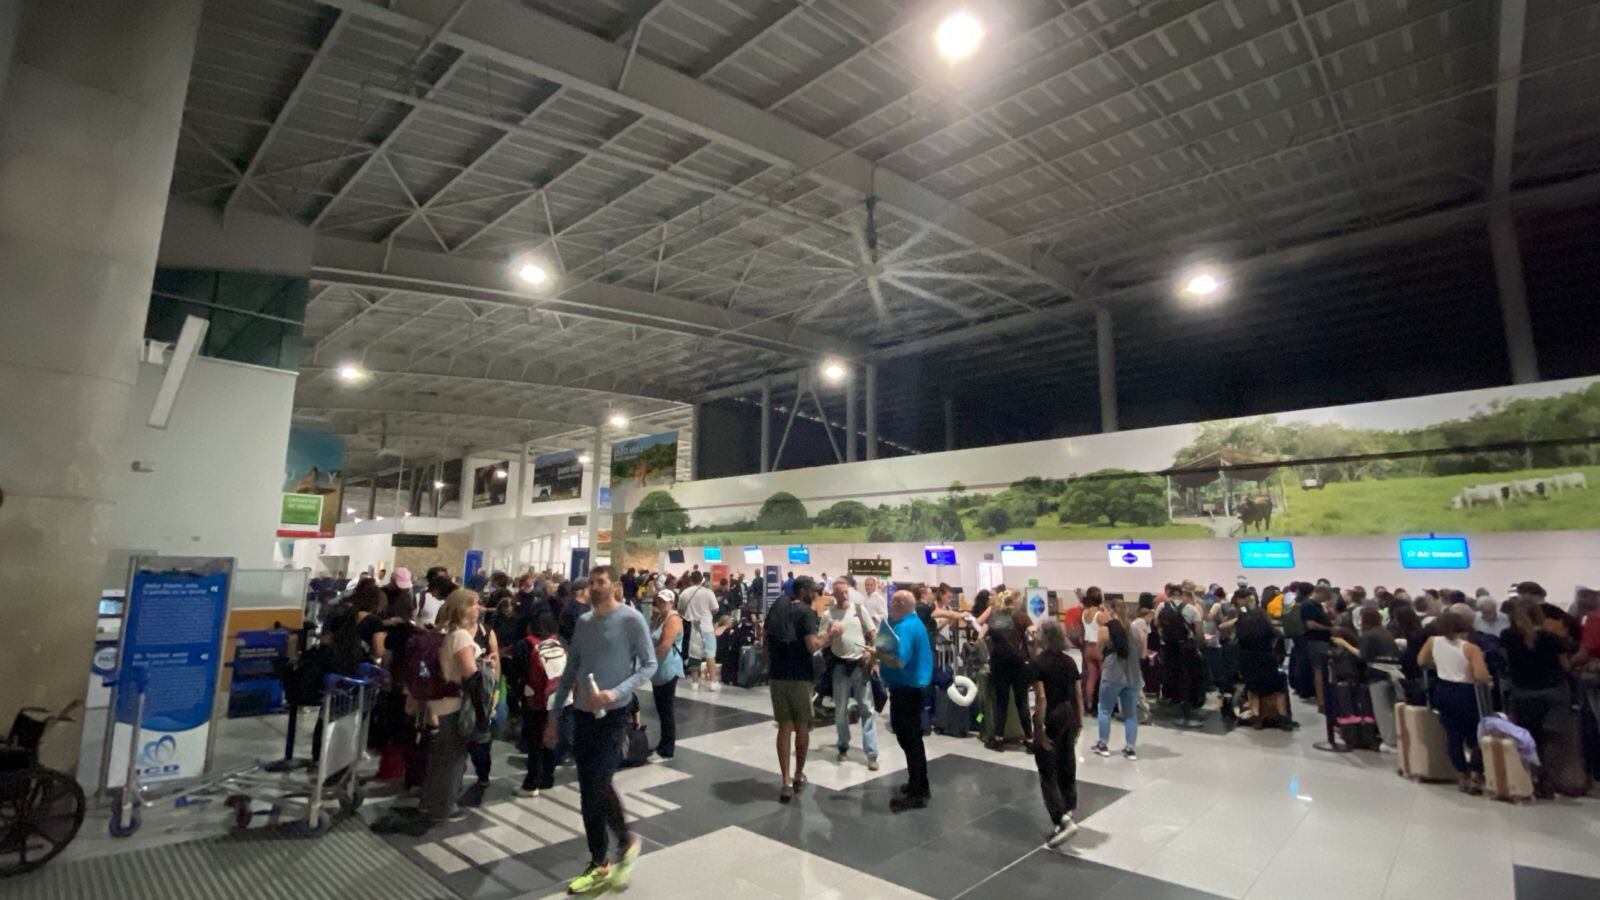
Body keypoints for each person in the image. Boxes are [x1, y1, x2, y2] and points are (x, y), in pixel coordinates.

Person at [545, 567, 655, 893]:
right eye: (591, 583)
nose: (594, 588)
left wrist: (616, 693)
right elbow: (572, 669)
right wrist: (555, 714)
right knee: (589, 789)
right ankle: (612, 852)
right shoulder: (583, 623)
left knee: (598, 783)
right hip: (581, 714)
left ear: (616, 586)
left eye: (601, 582)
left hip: (613, 715)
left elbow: (649, 664)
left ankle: (612, 851)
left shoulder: (631, 620)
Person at [1502, 598, 1575, 798]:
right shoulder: (1551, 638)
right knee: (1552, 738)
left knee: (1527, 736)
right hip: (1553, 692)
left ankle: (1526, 779)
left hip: (1522, 692)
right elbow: (1565, 666)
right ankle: (1547, 781)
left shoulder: (1508, 636)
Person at [419, 589, 481, 824]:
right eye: (474, 604)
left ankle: (430, 801)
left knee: (439, 757)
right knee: (453, 759)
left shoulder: (444, 632)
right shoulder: (461, 637)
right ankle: (445, 806)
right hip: (455, 705)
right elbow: (469, 674)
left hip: (439, 703)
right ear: (462, 608)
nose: (478, 608)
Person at [764, 576, 828, 803]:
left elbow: (766, 641)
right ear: (803, 591)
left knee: (784, 727)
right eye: (814, 591)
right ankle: (799, 774)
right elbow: (812, 646)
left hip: (778, 676)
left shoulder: (777, 608)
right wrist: (830, 635)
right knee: (802, 726)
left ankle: (785, 781)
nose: (816, 595)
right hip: (800, 676)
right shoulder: (806, 613)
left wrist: (770, 666)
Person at [1418, 608, 1492, 794]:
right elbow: (1481, 676)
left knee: (1453, 735)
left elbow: (1421, 661)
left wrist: (1441, 665)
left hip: (1443, 690)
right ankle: (1476, 772)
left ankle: (1461, 774)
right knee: (1476, 734)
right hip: (1466, 693)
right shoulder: (1471, 648)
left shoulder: (1432, 641)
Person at [1030, 618, 1083, 848]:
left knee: (1047, 770)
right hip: (1069, 713)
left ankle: (1060, 818)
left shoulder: (1038, 663)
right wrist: (1080, 721)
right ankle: (1069, 808)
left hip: (1051, 715)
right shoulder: (1070, 662)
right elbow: (1078, 694)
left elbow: (1041, 697)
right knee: (1066, 761)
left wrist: (1039, 727)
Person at [880, 589, 932, 811]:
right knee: (912, 740)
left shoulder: (907, 628)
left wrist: (876, 654)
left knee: (910, 740)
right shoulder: (914, 624)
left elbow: (899, 660)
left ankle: (917, 793)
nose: (890, 607)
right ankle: (918, 784)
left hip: (907, 691)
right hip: (910, 689)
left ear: (901, 604)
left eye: (893, 603)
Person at [825, 578, 879, 769]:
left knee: (866, 707)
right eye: (840, 593)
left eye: (846, 592)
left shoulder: (858, 610)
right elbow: (821, 641)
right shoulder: (829, 614)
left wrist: (871, 655)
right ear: (834, 594)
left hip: (859, 665)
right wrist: (831, 635)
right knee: (841, 709)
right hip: (840, 666)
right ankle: (843, 746)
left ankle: (872, 753)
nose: (844, 596)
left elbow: (873, 634)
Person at [517, 611, 563, 798]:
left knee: (534, 740)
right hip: (557, 698)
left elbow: (517, 671)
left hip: (534, 699)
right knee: (551, 738)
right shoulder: (558, 643)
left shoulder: (526, 645)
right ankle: (548, 777)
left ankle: (531, 782)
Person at [1092, 598, 1144, 759]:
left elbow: (1097, 653)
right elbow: (1142, 654)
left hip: (1112, 675)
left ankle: (1103, 744)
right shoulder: (1138, 630)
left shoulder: (1105, 630)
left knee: (1105, 709)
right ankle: (1130, 748)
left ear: (1111, 611)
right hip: (1133, 676)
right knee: (1130, 714)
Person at [983, 589, 1035, 750]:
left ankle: (998, 739)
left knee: (1001, 702)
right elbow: (1034, 633)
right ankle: (1030, 740)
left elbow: (980, 636)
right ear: (1015, 602)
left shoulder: (993, 616)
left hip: (999, 664)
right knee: (1022, 703)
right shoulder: (1021, 616)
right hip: (1019, 664)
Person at [1156, 588, 1203, 727]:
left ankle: (1176, 701)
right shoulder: (1191, 609)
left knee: (1173, 675)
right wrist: (1199, 648)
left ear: (1170, 595)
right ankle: (1188, 709)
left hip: (1169, 648)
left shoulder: (1161, 606)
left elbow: (1157, 624)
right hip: (1186, 648)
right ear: (1182, 595)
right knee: (1188, 677)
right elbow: (1199, 632)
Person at [648, 589, 684, 761]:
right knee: (661, 708)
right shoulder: (659, 618)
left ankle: (667, 749)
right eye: (659, 600)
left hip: (668, 667)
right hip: (659, 669)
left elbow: (665, 646)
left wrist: (647, 661)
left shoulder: (673, 619)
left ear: (671, 602)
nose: (661, 603)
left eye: (664, 601)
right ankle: (663, 743)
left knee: (666, 709)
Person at [678, 571, 720, 691]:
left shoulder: (684, 593)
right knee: (710, 654)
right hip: (707, 627)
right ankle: (713, 682)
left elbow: (680, 611)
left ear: (691, 580)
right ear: (702, 580)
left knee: (694, 656)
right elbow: (715, 608)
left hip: (692, 628)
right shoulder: (708, 593)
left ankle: (695, 683)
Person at [1079, 588, 1107, 712]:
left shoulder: (1084, 613)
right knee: (1104, 676)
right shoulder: (1099, 615)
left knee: (1091, 676)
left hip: (1088, 647)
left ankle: (1089, 702)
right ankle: (1102, 701)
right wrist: (1106, 611)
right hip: (1099, 647)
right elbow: (1111, 625)